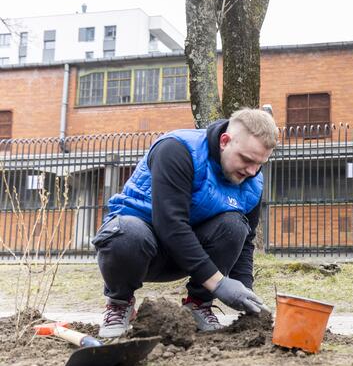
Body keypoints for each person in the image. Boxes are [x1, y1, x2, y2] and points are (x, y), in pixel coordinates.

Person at [92, 108, 278, 338]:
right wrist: (220, 284)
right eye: (247, 159)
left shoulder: (252, 181)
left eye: (259, 163)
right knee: (127, 234)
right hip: (138, 249)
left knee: (235, 225)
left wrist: (247, 296)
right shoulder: (177, 150)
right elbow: (170, 224)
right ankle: (120, 303)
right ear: (224, 141)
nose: (252, 171)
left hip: (186, 257)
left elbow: (246, 241)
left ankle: (198, 304)